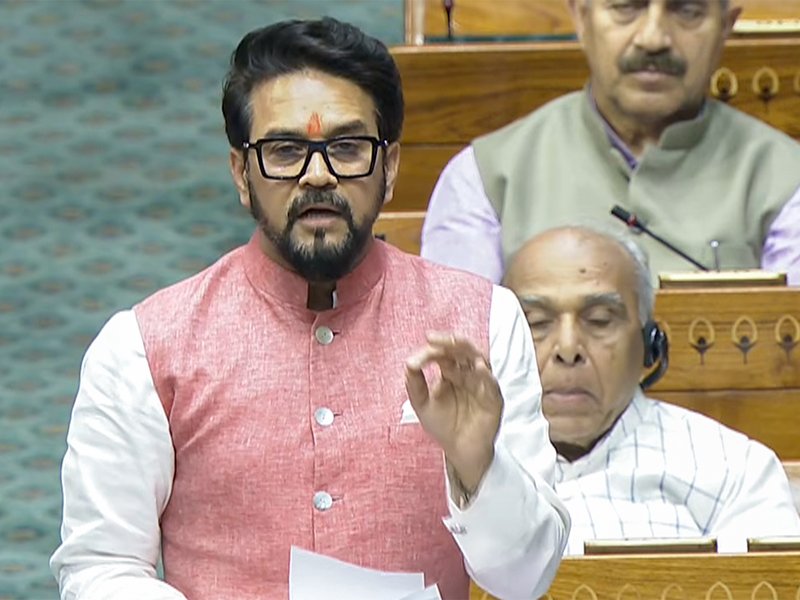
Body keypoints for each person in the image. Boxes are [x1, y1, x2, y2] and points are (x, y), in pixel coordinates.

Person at [49, 18, 569, 600]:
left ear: (389, 168)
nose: (317, 174)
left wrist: (477, 465)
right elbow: (100, 568)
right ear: (241, 174)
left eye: (347, 148)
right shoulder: (143, 347)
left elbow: (526, 581)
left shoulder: (484, 325)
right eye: (285, 150)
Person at [420, 0, 800, 285]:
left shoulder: (787, 181)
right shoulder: (484, 178)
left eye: (686, 10)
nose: (653, 38)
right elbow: (460, 366)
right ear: (581, 16)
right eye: (626, 7)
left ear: (726, 25)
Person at [503, 225, 800, 555]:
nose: (568, 348)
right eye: (536, 322)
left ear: (649, 346)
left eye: (599, 320)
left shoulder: (736, 469)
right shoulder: (455, 460)